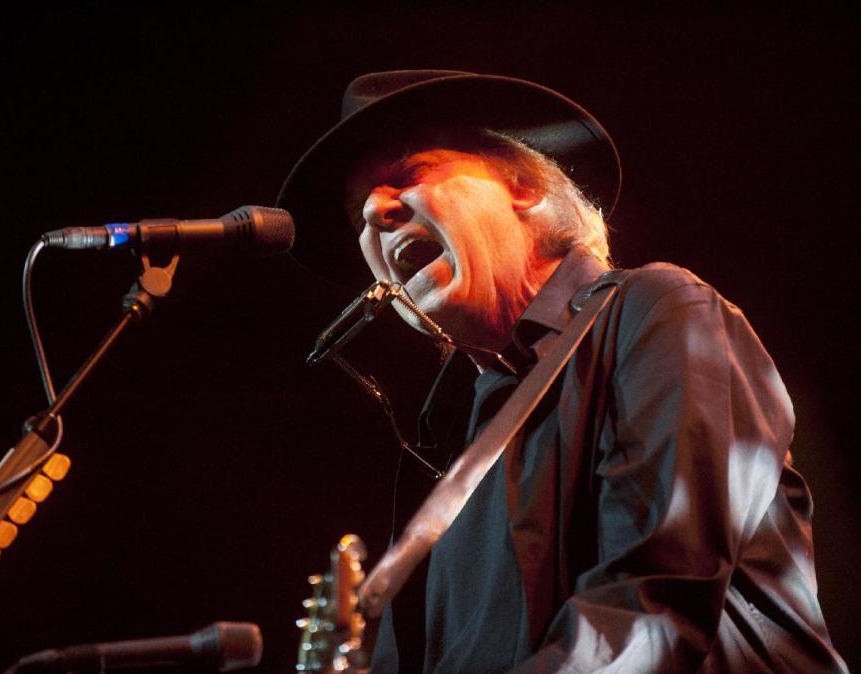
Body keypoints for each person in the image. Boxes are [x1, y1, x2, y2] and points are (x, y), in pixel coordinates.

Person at [278, 71, 848, 673]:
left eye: (409, 174)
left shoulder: (654, 311)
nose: (374, 210)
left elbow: (653, 601)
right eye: (357, 213)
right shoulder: (438, 444)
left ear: (522, 186)